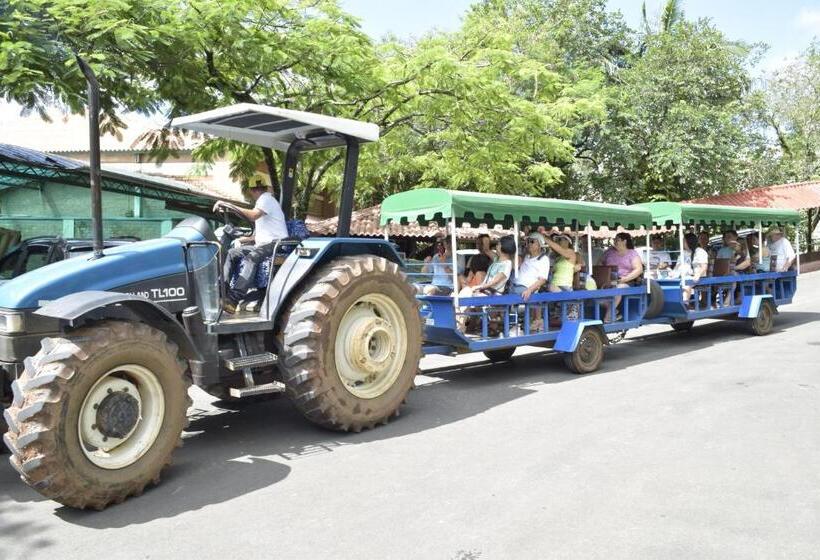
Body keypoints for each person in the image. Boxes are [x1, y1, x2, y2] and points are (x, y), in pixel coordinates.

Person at [215, 183, 288, 313]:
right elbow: (259, 235)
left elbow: (253, 216)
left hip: (277, 244)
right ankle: (222, 292)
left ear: (253, 191)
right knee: (232, 253)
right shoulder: (263, 203)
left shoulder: (266, 199)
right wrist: (240, 239)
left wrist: (229, 206)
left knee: (252, 257)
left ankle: (234, 299)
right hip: (263, 245)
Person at [456, 235, 516, 329]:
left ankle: (460, 324)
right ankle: (460, 322)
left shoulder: (507, 264)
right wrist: (484, 243)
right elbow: (486, 250)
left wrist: (479, 287)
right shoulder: (497, 260)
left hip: (493, 294)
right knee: (466, 291)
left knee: (467, 293)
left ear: (504, 247)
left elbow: (495, 281)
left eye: (498, 244)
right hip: (486, 291)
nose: (496, 246)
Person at [601, 232, 644, 321]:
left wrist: (625, 279)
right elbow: (599, 264)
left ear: (624, 241)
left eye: (617, 240)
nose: (615, 242)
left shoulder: (632, 253)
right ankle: (614, 311)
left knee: (618, 289)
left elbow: (639, 269)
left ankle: (608, 317)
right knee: (595, 295)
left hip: (627, 281)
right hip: (609, 280)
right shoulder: (609, 252)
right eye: (614, 240)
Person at [670, 232, 709, 307]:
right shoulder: (683, 253)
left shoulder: (700, 252)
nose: (682, 243)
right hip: (682, 275)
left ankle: (685, 303)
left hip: (697, 277)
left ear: (689, 242)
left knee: (686, 283)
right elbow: (677, 266)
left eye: (684, 241)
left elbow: (704, 267)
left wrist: (697, 275)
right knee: (669, 282)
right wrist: (672, 273)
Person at [511, 232, 550, 300]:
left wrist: (529, 290)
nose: (529, 244)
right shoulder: (526, 256)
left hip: (525, 289)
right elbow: (515, 266)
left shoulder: (544, 259)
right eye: (528, 241)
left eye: (532, 241)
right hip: (513, 285)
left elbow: (542, 280)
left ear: (540, 244)